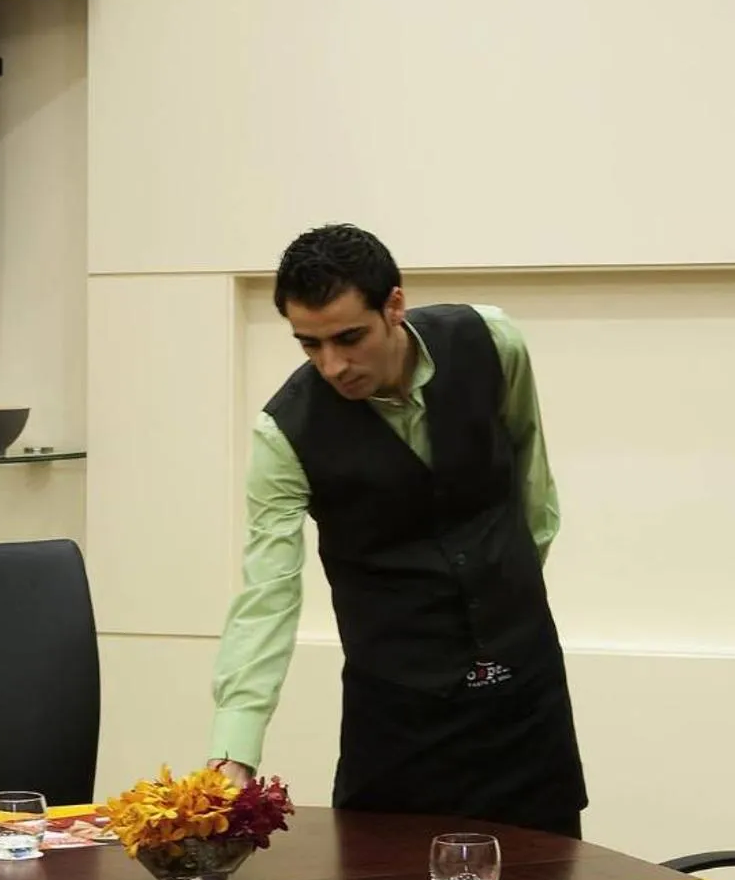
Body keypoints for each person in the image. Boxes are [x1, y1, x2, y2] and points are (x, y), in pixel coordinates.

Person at [206, 224, 586, 836]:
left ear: (394, 306)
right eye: (309, 344)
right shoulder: (284, 434)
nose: (332, 365)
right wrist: (234, 752)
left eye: (349, 337)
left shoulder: (491, 341)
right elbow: (267, 593)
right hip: (399, 715)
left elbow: (531, 483)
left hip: (524, 699)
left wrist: (504, 602)